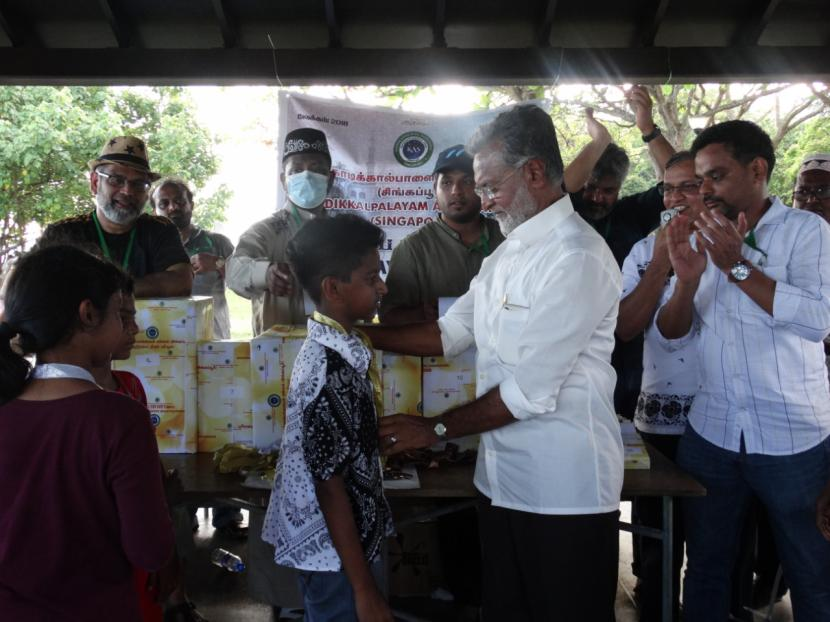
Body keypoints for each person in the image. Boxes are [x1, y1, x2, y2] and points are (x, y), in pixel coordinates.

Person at [362, 104, 623, 621]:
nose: (482, 201)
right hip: (500, 481)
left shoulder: (576, 256)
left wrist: (433, 429)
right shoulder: (507, 254)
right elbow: (449, 332)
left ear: (534, 172)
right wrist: (356, 333)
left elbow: (529, 391)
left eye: (489, 186)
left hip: (562, 491)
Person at [657, 120, 830, 621]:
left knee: (813, 573)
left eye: (716, 176)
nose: (705, 190)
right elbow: (672, 333)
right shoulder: (698, 235)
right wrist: (686, 282)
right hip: (711, 433)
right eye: (701, 180)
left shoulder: (807, 232)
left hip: (791, 438)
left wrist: (736, 265)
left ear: (757, 170)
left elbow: (818, 320)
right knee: (705, 567)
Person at [0, 244, 174, 620]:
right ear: (88, 314)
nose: (129, 326)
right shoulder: (119, 419)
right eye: (119, 313)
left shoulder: (6, 406)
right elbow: (150, 550)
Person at [261, 214, 393, 622]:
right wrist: (364, 589)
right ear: (333, 288)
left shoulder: (339, 349)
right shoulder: (328, 371)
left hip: (343, 549)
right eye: (371, 278)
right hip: (337, 558)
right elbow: (330, 487)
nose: (382, 287)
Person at [616, 151, 706, 621]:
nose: (675, 198)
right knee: (656, 534)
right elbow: (625, 327)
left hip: (722, 416)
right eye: (668, 188)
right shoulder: (642, 250)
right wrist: (658, 264)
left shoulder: (735, 245)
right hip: (659, 413)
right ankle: (654, 608)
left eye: (688, 186)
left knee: (714, 537)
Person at [37, 136, 193, 297]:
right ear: (95, 183)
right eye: (116, 180)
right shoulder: (62, 234)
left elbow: (182, 282)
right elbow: (28, 285)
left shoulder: (159, 230)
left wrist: (108, 292)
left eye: (139, 184)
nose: (128, 191)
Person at [227, 128, 334, 335]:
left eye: (317, 170)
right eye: (296, 171)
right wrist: (265, 274)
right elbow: (233, 272)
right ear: (284, 180)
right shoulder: (266, 231)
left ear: (331, 179)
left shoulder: (343, 235)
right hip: (278, 349)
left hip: (334, 346)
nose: (307, 176)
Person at [151, 177, 235, 339]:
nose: (173, 207)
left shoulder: (218, 242)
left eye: (179, 201)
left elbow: (243, 282)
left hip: (212, 339)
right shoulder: (147, 248)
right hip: (162, 339)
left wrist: (218, 263)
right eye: (164, 204)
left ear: (192, 205)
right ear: (155, 211)